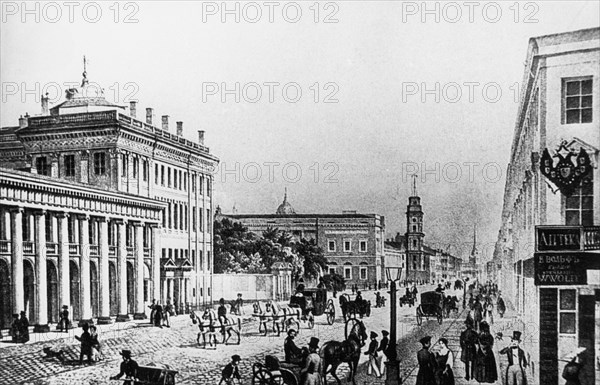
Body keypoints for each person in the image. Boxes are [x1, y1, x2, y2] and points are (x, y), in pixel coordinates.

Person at [460, 317, 478, 381]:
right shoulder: (474, 333)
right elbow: (476, 341)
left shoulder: (463, 333)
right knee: (473, 362)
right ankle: (472, 376)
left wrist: (464, 348)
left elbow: (461, 343)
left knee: (466, 364)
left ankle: (467, 376)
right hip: (472, 348)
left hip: (466, 349)